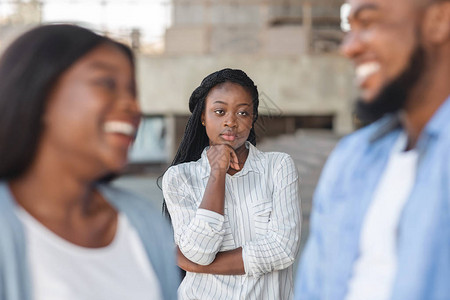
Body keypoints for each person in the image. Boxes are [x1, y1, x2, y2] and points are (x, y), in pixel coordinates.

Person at [0, 24, 179, 300]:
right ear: (42, 94)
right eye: (107, 84)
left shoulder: (145, 223)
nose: (133, 106)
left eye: (132, 91)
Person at [295, 0, 450, 299]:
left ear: (439, 20)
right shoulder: (350, 160)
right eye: (348, 28)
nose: (348, 48)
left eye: (368, 23)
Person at [162, 68, 301, 300]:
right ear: (203, 117)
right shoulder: (179, 178)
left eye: (243, 113)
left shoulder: (278, 167)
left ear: (253, 117)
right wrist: (216, 173)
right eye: (219, 111)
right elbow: (199, 253)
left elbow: (283, 250)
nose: (231, 121)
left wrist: (200, 267)